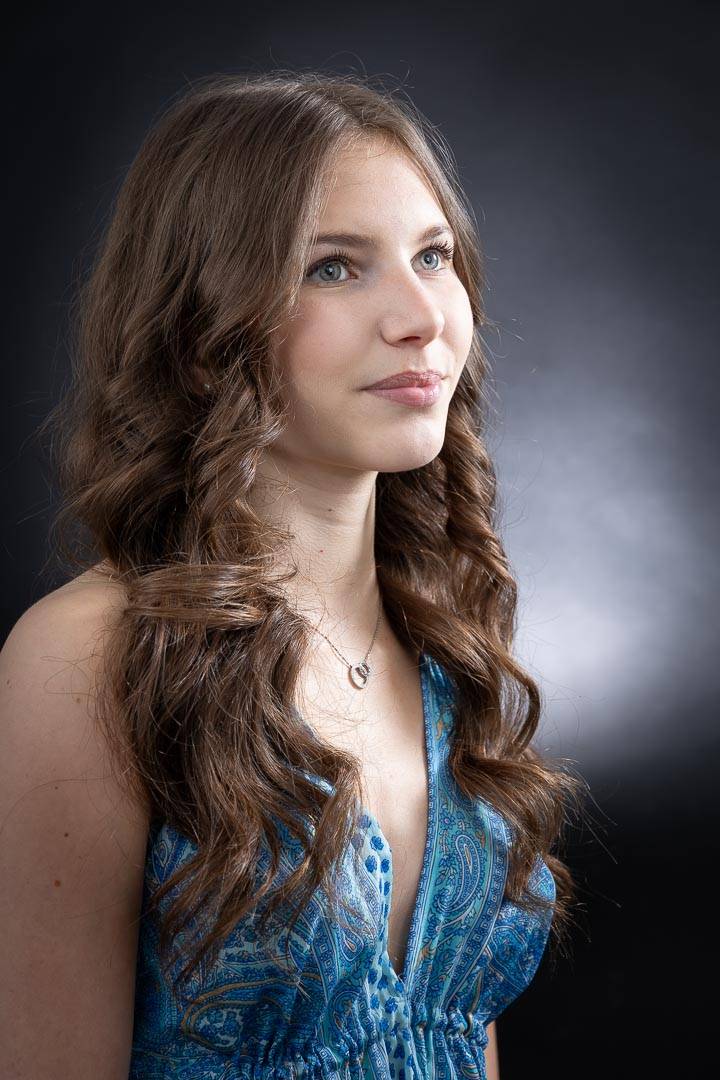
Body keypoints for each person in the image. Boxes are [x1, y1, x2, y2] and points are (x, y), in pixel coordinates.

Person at [0, 70, 584, 1079]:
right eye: (334, 268)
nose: (422, 318)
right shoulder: (86, 660)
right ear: (201, 330)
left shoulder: (439, 635)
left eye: (432, 256)